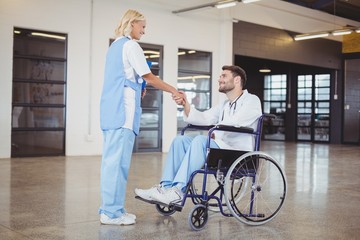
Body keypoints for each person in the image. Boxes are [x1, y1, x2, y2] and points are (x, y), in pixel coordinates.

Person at [99, 9, 182, 226]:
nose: (144, 31)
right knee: (116, 165)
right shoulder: (131, 45)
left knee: (115, 164)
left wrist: (140, 86)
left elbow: (128, 76)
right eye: (142, 26)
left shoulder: (115, 46)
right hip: (121, 113)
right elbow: (148, 76)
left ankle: (115, 209)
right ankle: (110, 213)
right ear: (132, 23)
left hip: (111, 110)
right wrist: (173, 89)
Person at [135, 65, 262, 206]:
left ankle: (178, 190)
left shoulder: (252, 100)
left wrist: (216, 130)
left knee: (201, 140)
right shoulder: (225, 105)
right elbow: (204, 117)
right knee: (180, 140)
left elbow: (238, 120)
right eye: (220, 76)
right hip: (220, 148)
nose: (219, 79)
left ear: (237, 80)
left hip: (236, 152)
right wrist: (185, 104)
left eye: (224, 76)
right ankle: (165, 188)